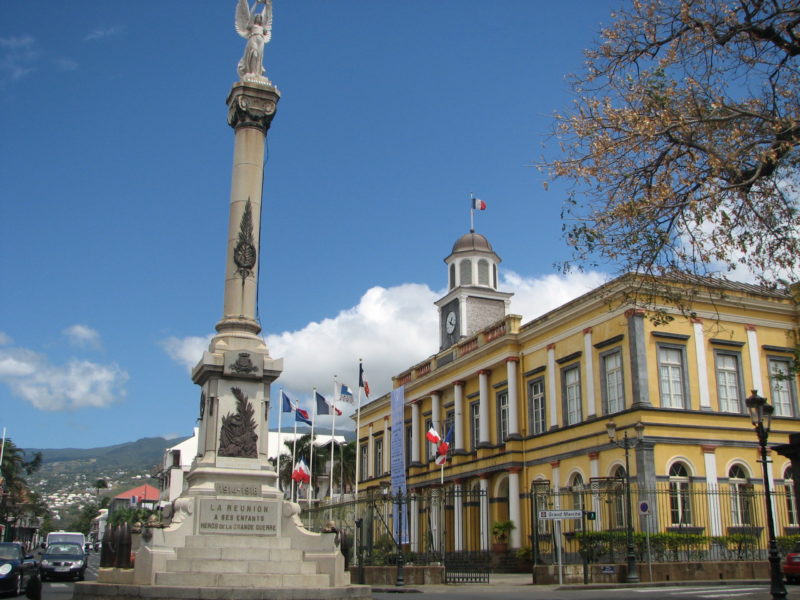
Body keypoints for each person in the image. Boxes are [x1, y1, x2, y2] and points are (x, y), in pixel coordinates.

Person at [235, 0, 273, 80]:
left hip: (261, 40)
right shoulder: (251, 26)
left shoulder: (263, 28)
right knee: (254, 54)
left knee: (259, 56)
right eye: (258, 17)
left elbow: (266, 16)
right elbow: (250, 15)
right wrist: (256, 3)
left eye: (260, 17)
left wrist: (267, 5)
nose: (259, 18)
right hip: (253, 39)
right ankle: (252, 72)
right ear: (255, 19)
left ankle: (257, 73)